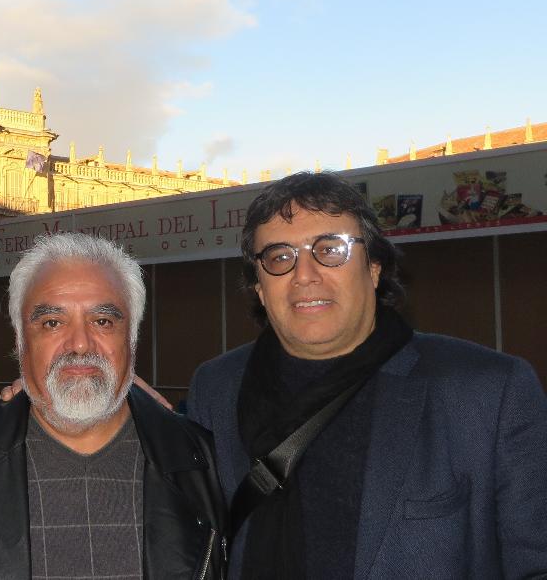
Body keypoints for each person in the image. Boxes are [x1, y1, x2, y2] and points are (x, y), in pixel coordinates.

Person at [187, 171, 547, 579]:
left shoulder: (489, 391)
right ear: (259, 287)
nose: (304, 275)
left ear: (374, 267)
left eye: (330, 249)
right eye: (280, 257)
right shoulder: (216, 389)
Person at [0, 232, 227, 580]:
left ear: (132, 341)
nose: (79, 344)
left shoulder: (209, 464)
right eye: (52, 323)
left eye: (103, 321)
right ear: (20, 341)